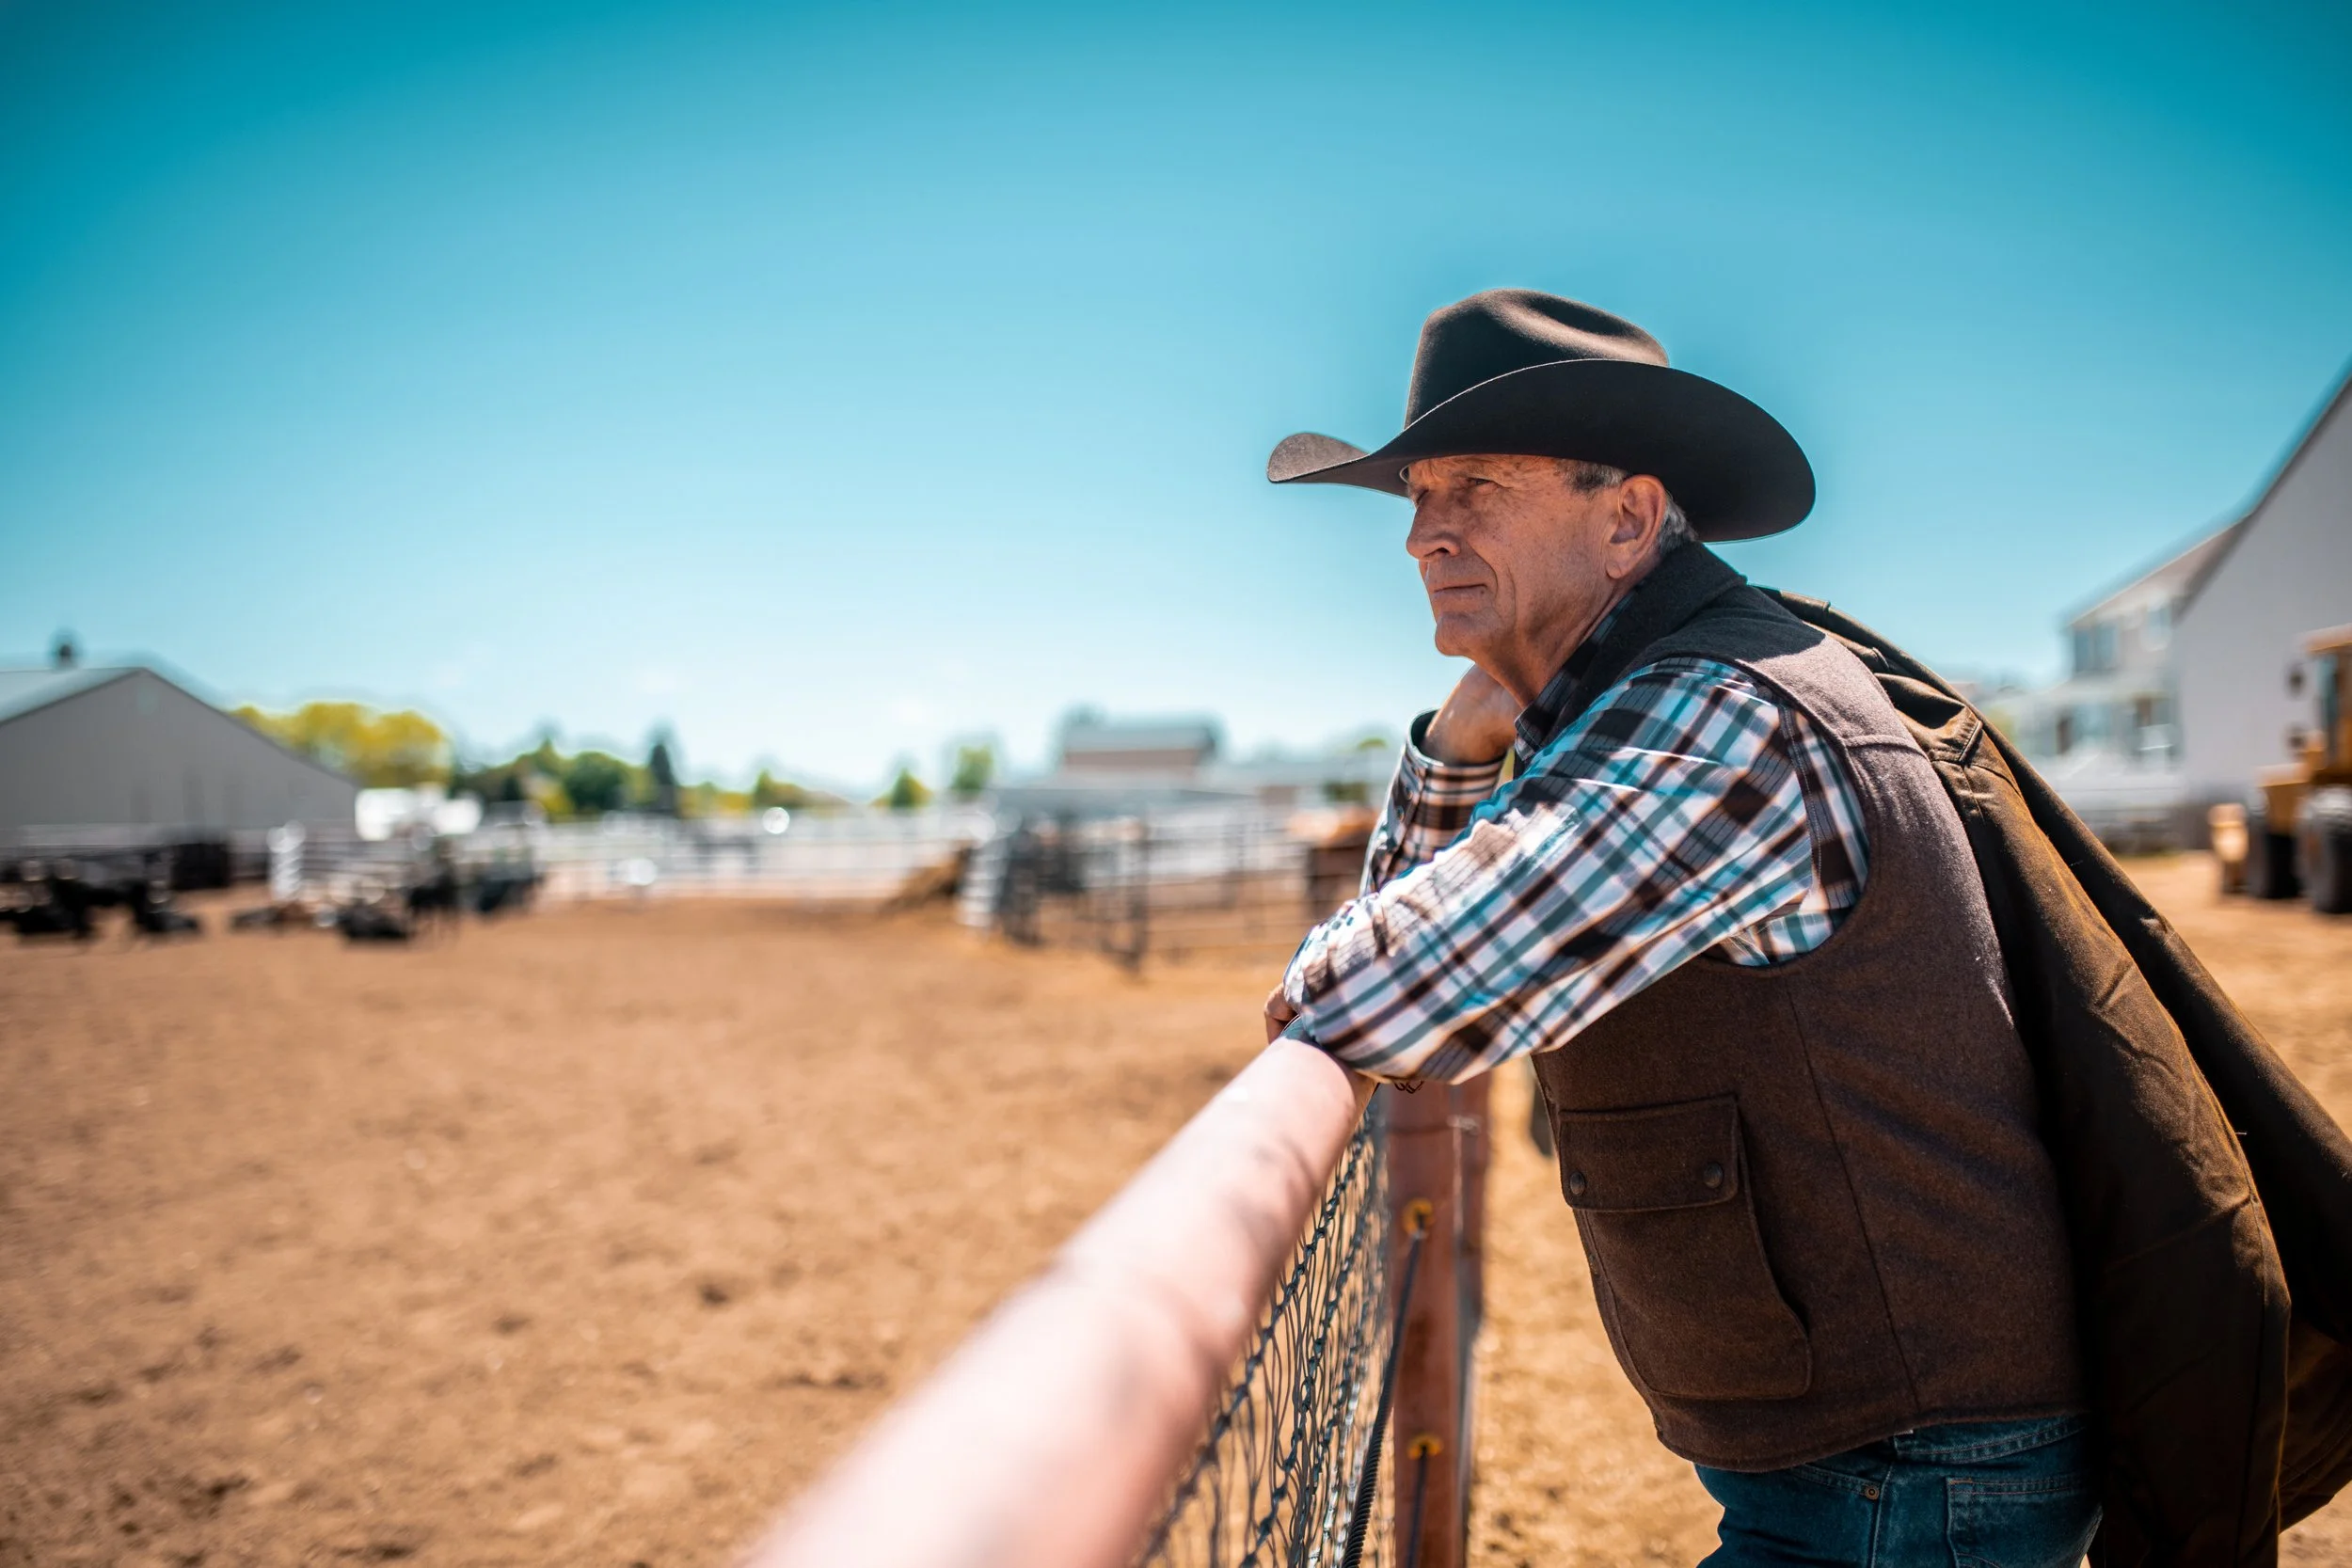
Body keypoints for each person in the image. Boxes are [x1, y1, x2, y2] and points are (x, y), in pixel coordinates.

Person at [1261, 290, 2098, 1567]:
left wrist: (1463, 761)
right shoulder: (1655, 693)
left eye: (1473, 486)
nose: (1424, 534)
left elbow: (1369, 999)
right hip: (1893, 1445)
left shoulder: (1715, 715)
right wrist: (1463, 742)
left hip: (1910, 1465)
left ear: (1628, 519)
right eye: (1418, 496)